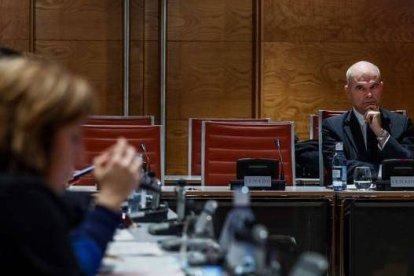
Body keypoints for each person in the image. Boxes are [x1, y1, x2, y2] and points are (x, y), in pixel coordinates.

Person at [0, 57, 143, 275]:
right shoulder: (19, 197)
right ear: (38, 138)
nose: (80, 157)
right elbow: (77, 267)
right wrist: (110, 201)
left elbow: (63, 216)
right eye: (74, 138)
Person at [322, 60, 414, 183]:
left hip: (392, 198)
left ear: (381, 87)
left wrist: (381, 133)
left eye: (374, 87)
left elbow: (408, 164)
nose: (369, 94)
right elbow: (338, 168)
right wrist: (383, 171)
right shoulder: (332, 127)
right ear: (348, 91)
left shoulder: (402, 124)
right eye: (360, 88)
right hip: (351, 199)